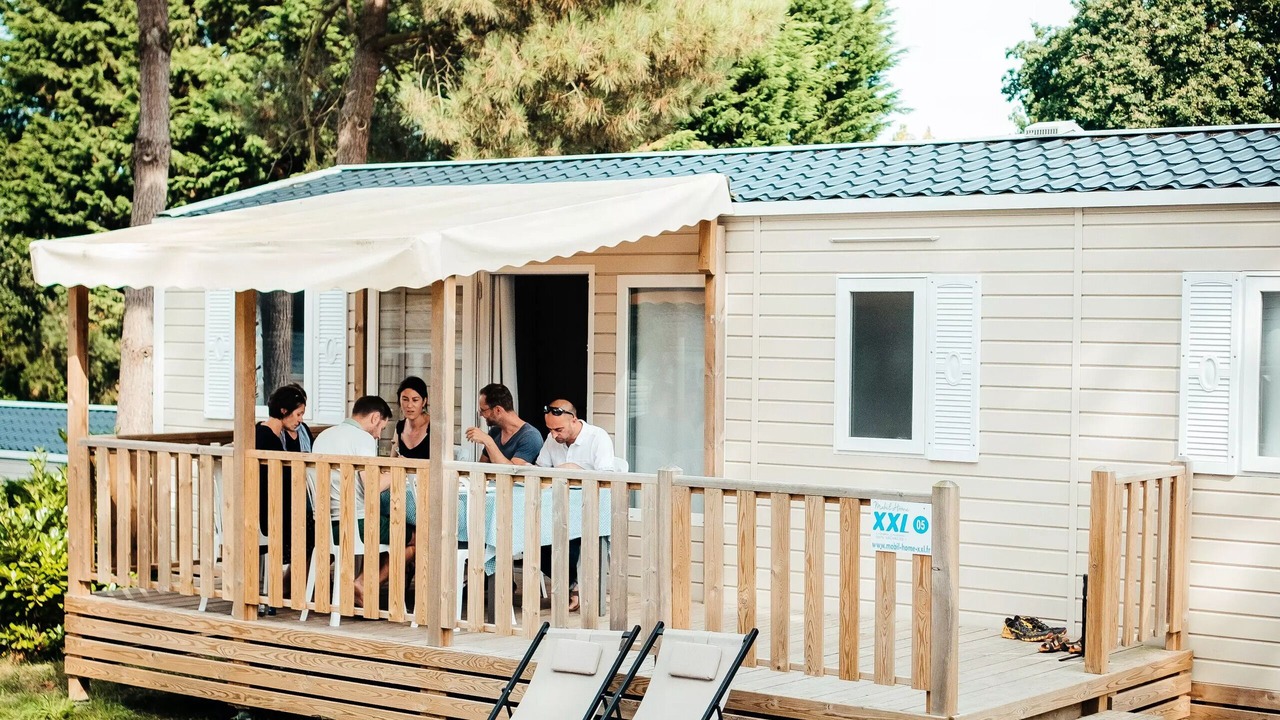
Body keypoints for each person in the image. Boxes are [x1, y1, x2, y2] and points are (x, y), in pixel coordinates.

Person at [536, 399, 617, 611]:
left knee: (567, 539)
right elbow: (540, 469)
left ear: (574, 420)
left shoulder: (597, 437)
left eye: (558, 429)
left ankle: (576, 586)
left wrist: (576, 470)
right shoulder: (552, 439)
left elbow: (607, 478)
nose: (554, 435)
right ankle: (573, 585)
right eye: (550, 429)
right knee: (533, 538)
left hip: (590, 509)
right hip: (556, 507)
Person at [313, 395, 393, 608]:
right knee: (414, 535)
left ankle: (359, 584)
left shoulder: (323, 437)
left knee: (382, 522)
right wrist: (397, 472)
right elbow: (373, 486)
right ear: (375, 418)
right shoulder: (363, 439)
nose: (378, 435)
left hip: (324, 526)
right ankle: (362, 584)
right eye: (381, 428)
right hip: (356, 526)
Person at [256, 383, 315, 608]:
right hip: (270, 508)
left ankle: (291, 585)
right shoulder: (263, 436)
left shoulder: (291, 433)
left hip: (290, 502)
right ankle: (292, 587)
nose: (300, 420)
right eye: (298, 414)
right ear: (283, 411)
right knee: (318, 528)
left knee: (319, 523)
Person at [464, 383, 542, 465]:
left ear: (498, 410)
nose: (480, 414)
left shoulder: (530, 437)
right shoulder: (495, 432)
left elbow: (513, 471)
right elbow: (481, 466)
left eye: (483, 410)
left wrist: (488, 441)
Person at [392, 376, 430, 459]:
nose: (409, 405)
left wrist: (409, 464)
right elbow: (392, 461)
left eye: (415, 400)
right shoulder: (400, 427)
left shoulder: (433, 426)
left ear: (424, 401)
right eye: (405, 400)